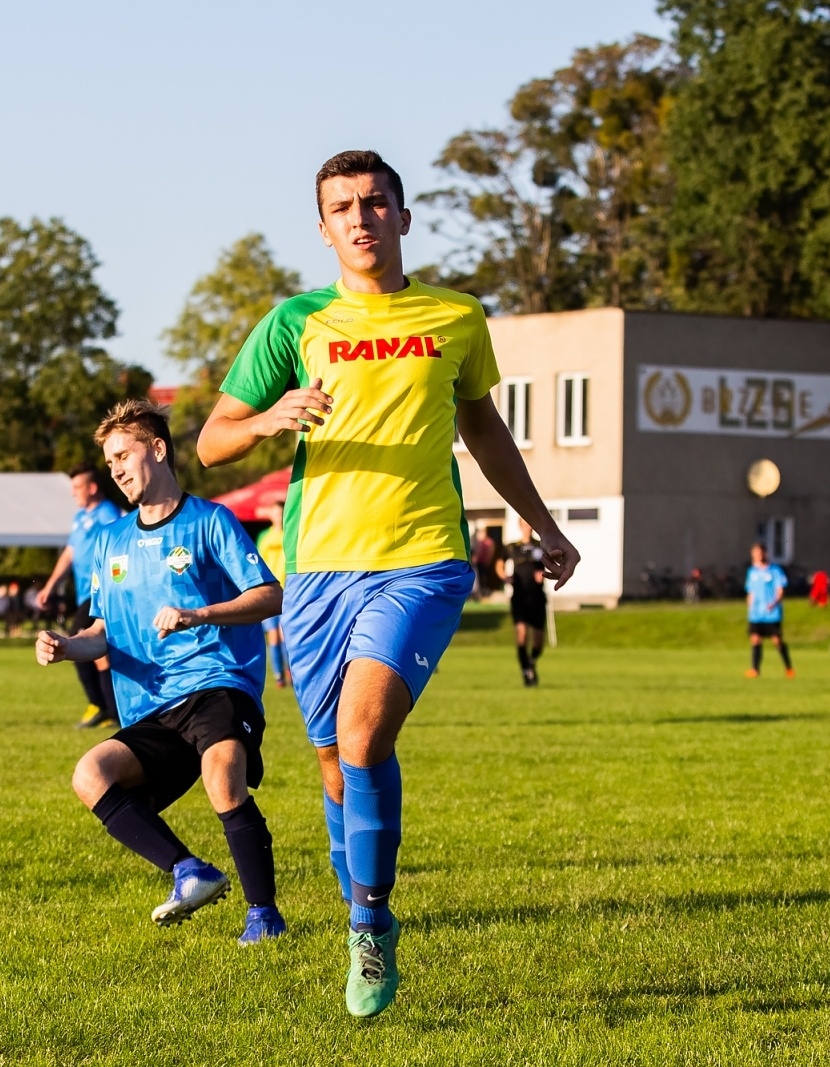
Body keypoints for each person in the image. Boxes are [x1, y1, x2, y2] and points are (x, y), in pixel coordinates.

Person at [197, 150, 579, 1016]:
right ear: (324, 227)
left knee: (365, 734)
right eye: (343, 207)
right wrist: (270, 415)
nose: (361, 218)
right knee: (335, 762)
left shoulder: (455, 316)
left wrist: (543, 523)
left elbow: (484, 429)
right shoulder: (295, 321)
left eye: (376, 203)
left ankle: (370, 925)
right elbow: (212, 443)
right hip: (319, 572)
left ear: (404, 217)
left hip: (422, 561)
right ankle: (355, 895)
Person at [36, 400, 287, 944]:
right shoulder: (110, 541)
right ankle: (188, 870)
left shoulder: (210, 521)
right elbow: (102, 632)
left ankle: (264, 915)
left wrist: (200, 614)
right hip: (152, 705)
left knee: (224, 775)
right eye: (109, 463)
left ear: (157, 449)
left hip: (217, 683)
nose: (117, 469)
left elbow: (270, 595)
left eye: (123, 454)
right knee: (90, 775)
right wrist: (66, 646)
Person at [38, 465, 126, 729]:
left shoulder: (109, 513)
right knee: (100, 653)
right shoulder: (79, 517)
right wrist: (50, 586)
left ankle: (101, 706)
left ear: (92, 488)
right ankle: (110, 709)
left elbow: (122, 543)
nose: (73, 493)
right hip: (84, 594)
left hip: (102, 590)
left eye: (77, 487)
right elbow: (70, 553)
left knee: (76, 639)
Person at [501, 521, 548, 687]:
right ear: (520, 526)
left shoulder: (541, 546)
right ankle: (526, 670)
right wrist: (504, 577)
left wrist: (544, 574)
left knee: (538, 641)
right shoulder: (513, 547)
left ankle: (532, 660)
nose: (528, 526)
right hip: (520, 597)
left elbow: (553, 564)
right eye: (525, 523)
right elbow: (499, 563)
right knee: (521, 634)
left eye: (530, 523)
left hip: (537, 598)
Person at [254, 500, 290, 687]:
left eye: (281, 512)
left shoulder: (291, 534)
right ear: (271, 515)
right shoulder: (264, 537)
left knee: (286, 634)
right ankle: (278, 676)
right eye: (275, 512)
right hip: (270, 590)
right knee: (273, 635)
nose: (278, 515)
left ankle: (289, 670)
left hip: (288, 590)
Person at [744, 542, 794, 678]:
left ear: (765, 553)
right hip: (756, 613)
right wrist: (749, 609)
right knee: (755, 639)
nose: (757, 556)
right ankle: (755, 669)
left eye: (759, 553)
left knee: (776, 641)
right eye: (754, 553)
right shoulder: (752, 572)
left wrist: (774, 603)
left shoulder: (775, 571)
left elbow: (780, 589)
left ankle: (788, 667)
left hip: (771, 613)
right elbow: (751, 592)